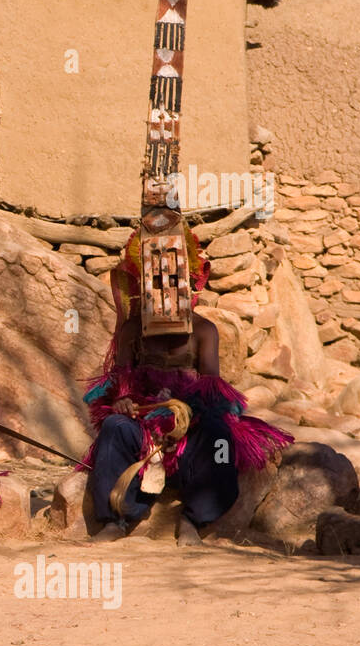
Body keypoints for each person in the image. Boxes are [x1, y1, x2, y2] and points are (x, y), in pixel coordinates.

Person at [83, 210, 291, 546]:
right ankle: (115, 518)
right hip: (142, 422)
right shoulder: (132, 330)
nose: (164, 288)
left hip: (189, 423)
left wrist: (182, 414)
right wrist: (123, 401)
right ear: (142, 283)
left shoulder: (204, 331)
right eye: (156, 281)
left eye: (172, 280)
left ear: (190, 279)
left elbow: (212, 389)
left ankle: (194, 518)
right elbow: (120, 380)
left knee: (220, 435)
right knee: (113, 429)